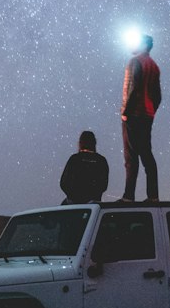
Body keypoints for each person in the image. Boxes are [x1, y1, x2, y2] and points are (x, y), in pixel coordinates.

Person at [119, 34, 162, 202]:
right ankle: (153, 196)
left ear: (143, 44)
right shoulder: (154, 66)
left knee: (131, 157)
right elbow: (158, 96)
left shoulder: (135, 62)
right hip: (146, 115)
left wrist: (125, 112)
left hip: (133, 115)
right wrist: (151, 111)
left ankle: (128, 196)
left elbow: (134, 87)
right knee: (146, 154)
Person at [60, 130, 109, 204]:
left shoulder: (74, 159)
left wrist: (73, 196)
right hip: (93, 201)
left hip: (73, 201)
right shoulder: (101, 160)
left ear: (80, 143)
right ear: (94, 143)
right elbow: (103, 185)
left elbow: (64, 183)